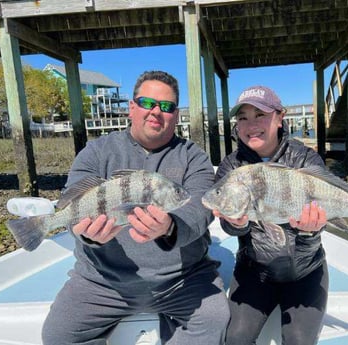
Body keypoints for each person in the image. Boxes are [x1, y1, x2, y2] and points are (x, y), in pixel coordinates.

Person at [42, 70, 229, 345]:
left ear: (176, 115)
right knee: (58, 334)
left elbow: (199, 211)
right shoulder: (96, 151)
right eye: (147, 103)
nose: (156, 112)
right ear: (132, 108)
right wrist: (85, 233)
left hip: (183, 279)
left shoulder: (194, 157)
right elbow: (73, 200)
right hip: (103, 281)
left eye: (166, 107)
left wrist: (170, 228)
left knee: (214, 319)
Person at [213, 85, 329, 345]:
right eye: (243, 118)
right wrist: (238, 224)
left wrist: (310, 231)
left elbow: (321, 216)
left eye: (260, 115)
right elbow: (229, 225)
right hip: (255, 273)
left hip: (306, 273)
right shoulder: (231, 167)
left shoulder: (305, 159)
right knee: (234, 339)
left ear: (280, 117)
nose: (250, 124)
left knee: (299, 341)